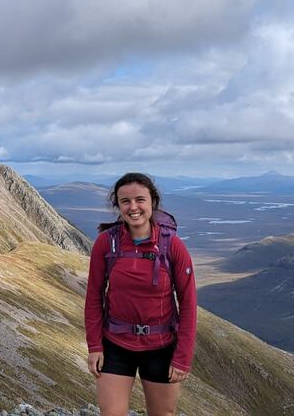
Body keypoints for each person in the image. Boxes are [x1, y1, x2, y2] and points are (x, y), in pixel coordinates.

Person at [84, 173, 196, 416]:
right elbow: (93, 296)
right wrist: (94, 346)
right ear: (118, 205)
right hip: (115, 343)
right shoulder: (106, 243)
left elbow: (188, 304)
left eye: (140, 200)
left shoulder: (172, 246)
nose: (133, 207)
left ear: (152, 202)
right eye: (125, 201)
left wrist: (182, 357)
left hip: (161, 346)